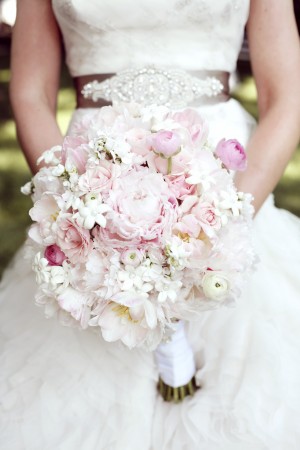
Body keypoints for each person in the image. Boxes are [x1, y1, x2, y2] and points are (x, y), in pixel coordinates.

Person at [1, 0, 300, 448]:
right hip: (90, 179)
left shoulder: (228, 205)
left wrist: (222, 220)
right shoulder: (81, 198)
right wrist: (75, 203)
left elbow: (287, 97)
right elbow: (30, 94)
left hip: (224, 176)